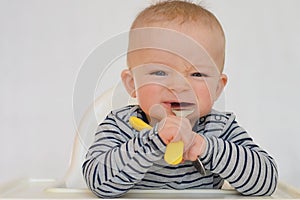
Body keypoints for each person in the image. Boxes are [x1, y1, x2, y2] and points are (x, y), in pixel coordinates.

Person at [82, 1, 278, 198]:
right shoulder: (121, 125)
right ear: (132, 84)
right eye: (160, 72)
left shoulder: (220, 128)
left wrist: (203, 146)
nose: (179, 86)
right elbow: (98, 181)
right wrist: (154, 140)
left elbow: (266, 182)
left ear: (217, 88)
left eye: (197, 74)